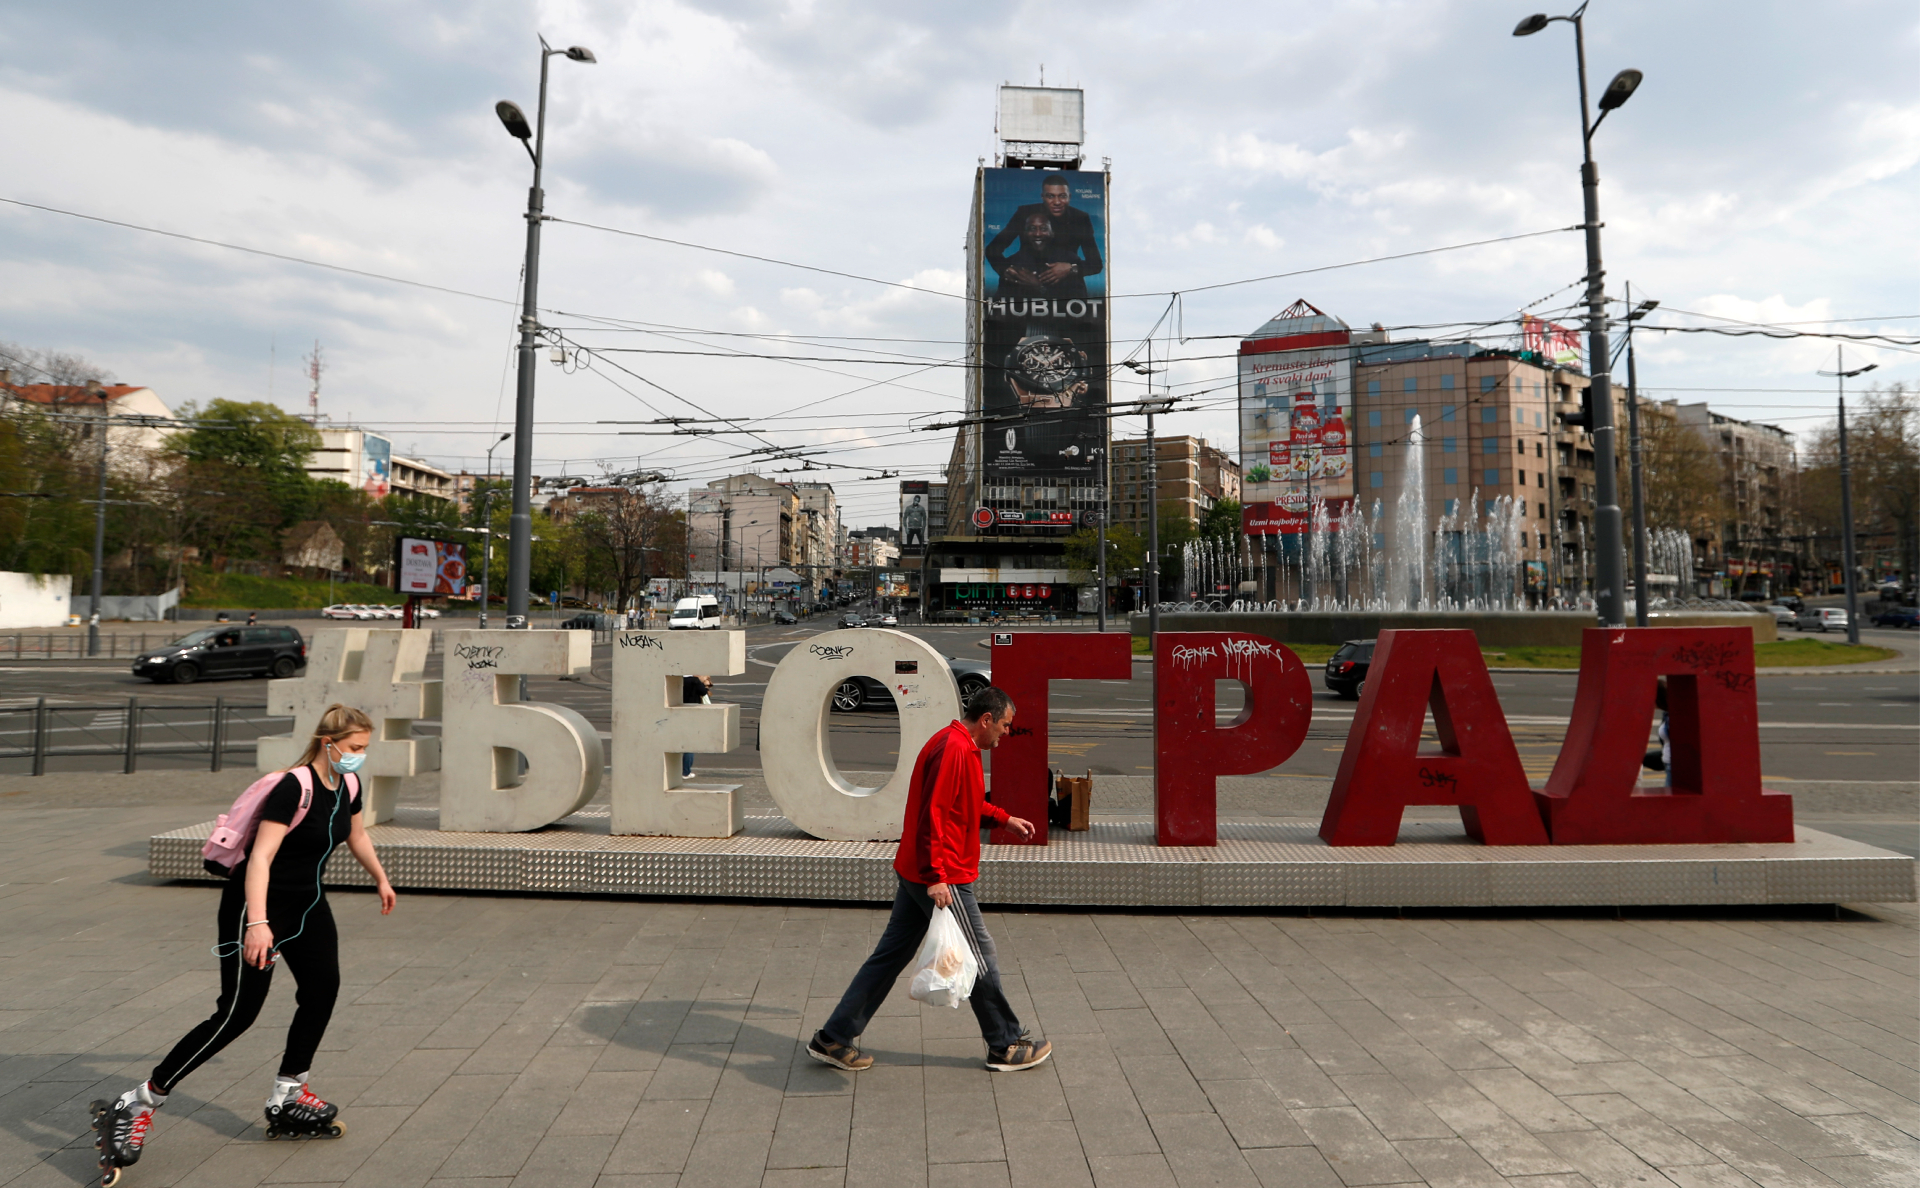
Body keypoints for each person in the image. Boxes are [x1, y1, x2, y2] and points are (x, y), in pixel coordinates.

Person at [91, 704, 397, 1175]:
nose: (359, 757)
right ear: (327, 743)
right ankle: (137, 1102)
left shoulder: (349, 784)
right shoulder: (294, 787)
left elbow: (356, 835)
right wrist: (258, 924)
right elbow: (261, 857)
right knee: (237, 1013)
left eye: (364, 750)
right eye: (354, 748)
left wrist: (380, 877)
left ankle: (289, 1093)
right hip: (254, 908)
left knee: (321, 990)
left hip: (307, 906)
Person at [807, 687, 1051, 1073]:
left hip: (918, 871)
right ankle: (1004, 1044)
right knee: (979, 955)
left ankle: (833, 1037)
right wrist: (937, 877)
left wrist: (1004, 818)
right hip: (942, 875)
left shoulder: (955, 743)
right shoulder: (954, 750)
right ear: (986, 719)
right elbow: (932, 817)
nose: (1005, 734)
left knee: (889, 957)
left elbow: (964, 804)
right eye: (1004, 726)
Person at [984, 173, 1103, 298]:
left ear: (1070, 197)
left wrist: (1070, 269)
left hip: (1067, 290)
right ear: (1042, 197)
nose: (1057, 202)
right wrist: (1006, 271)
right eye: (1050, 196)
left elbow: (1096, 264)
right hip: (1024, 288)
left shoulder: (1080, 219)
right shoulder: (1025, 213)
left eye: (1062, 196)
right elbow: (993, 250)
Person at [681, 675, 712, 778]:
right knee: (690, 744)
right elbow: (703, 692)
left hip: (678, 712)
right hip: (692, 713)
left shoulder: (676, 679)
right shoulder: (694, 681)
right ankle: (686, 771)